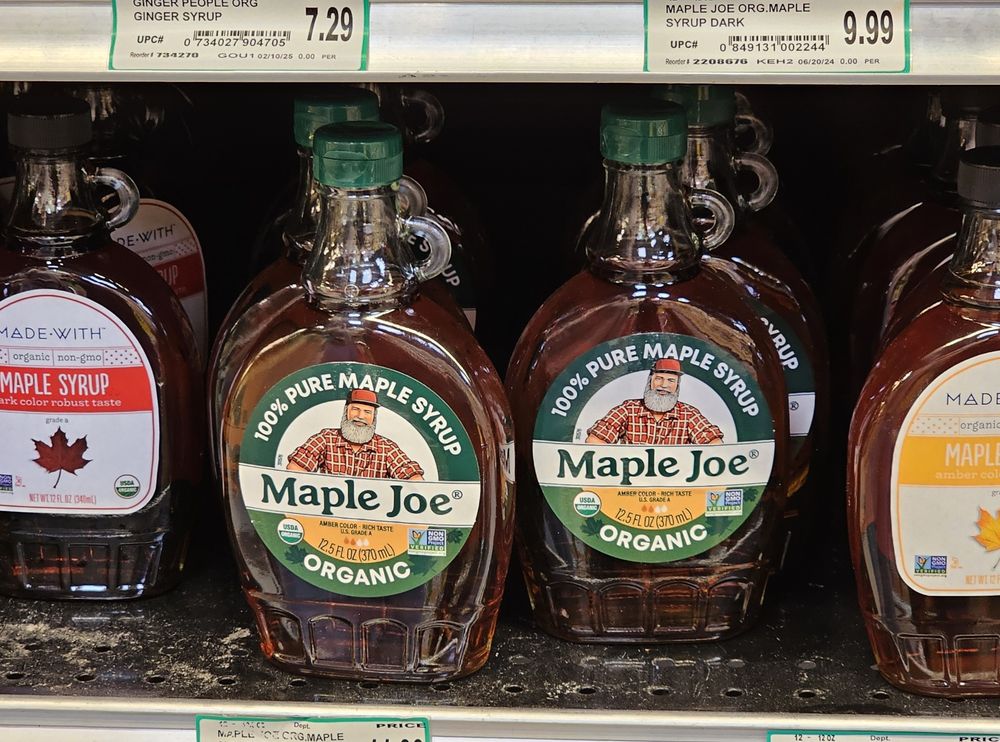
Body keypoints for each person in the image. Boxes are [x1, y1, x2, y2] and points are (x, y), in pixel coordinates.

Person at [286, 389, 424, 480]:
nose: (360, 416)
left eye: (367, 412)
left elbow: (413, 478)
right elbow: (295, 469)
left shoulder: (386, 448)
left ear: (374, 417)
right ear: (346, 411)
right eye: (355, 409)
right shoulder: (325, 438)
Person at [585, 359, 724, 445]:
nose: (664, 385)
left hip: (677, 487)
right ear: (650, 381)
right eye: (659, 378)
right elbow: (594, 440)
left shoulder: (689, 414)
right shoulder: (628, 409)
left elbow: (715, 444)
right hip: (630, 487)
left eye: (671, 380)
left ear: (677, 385)